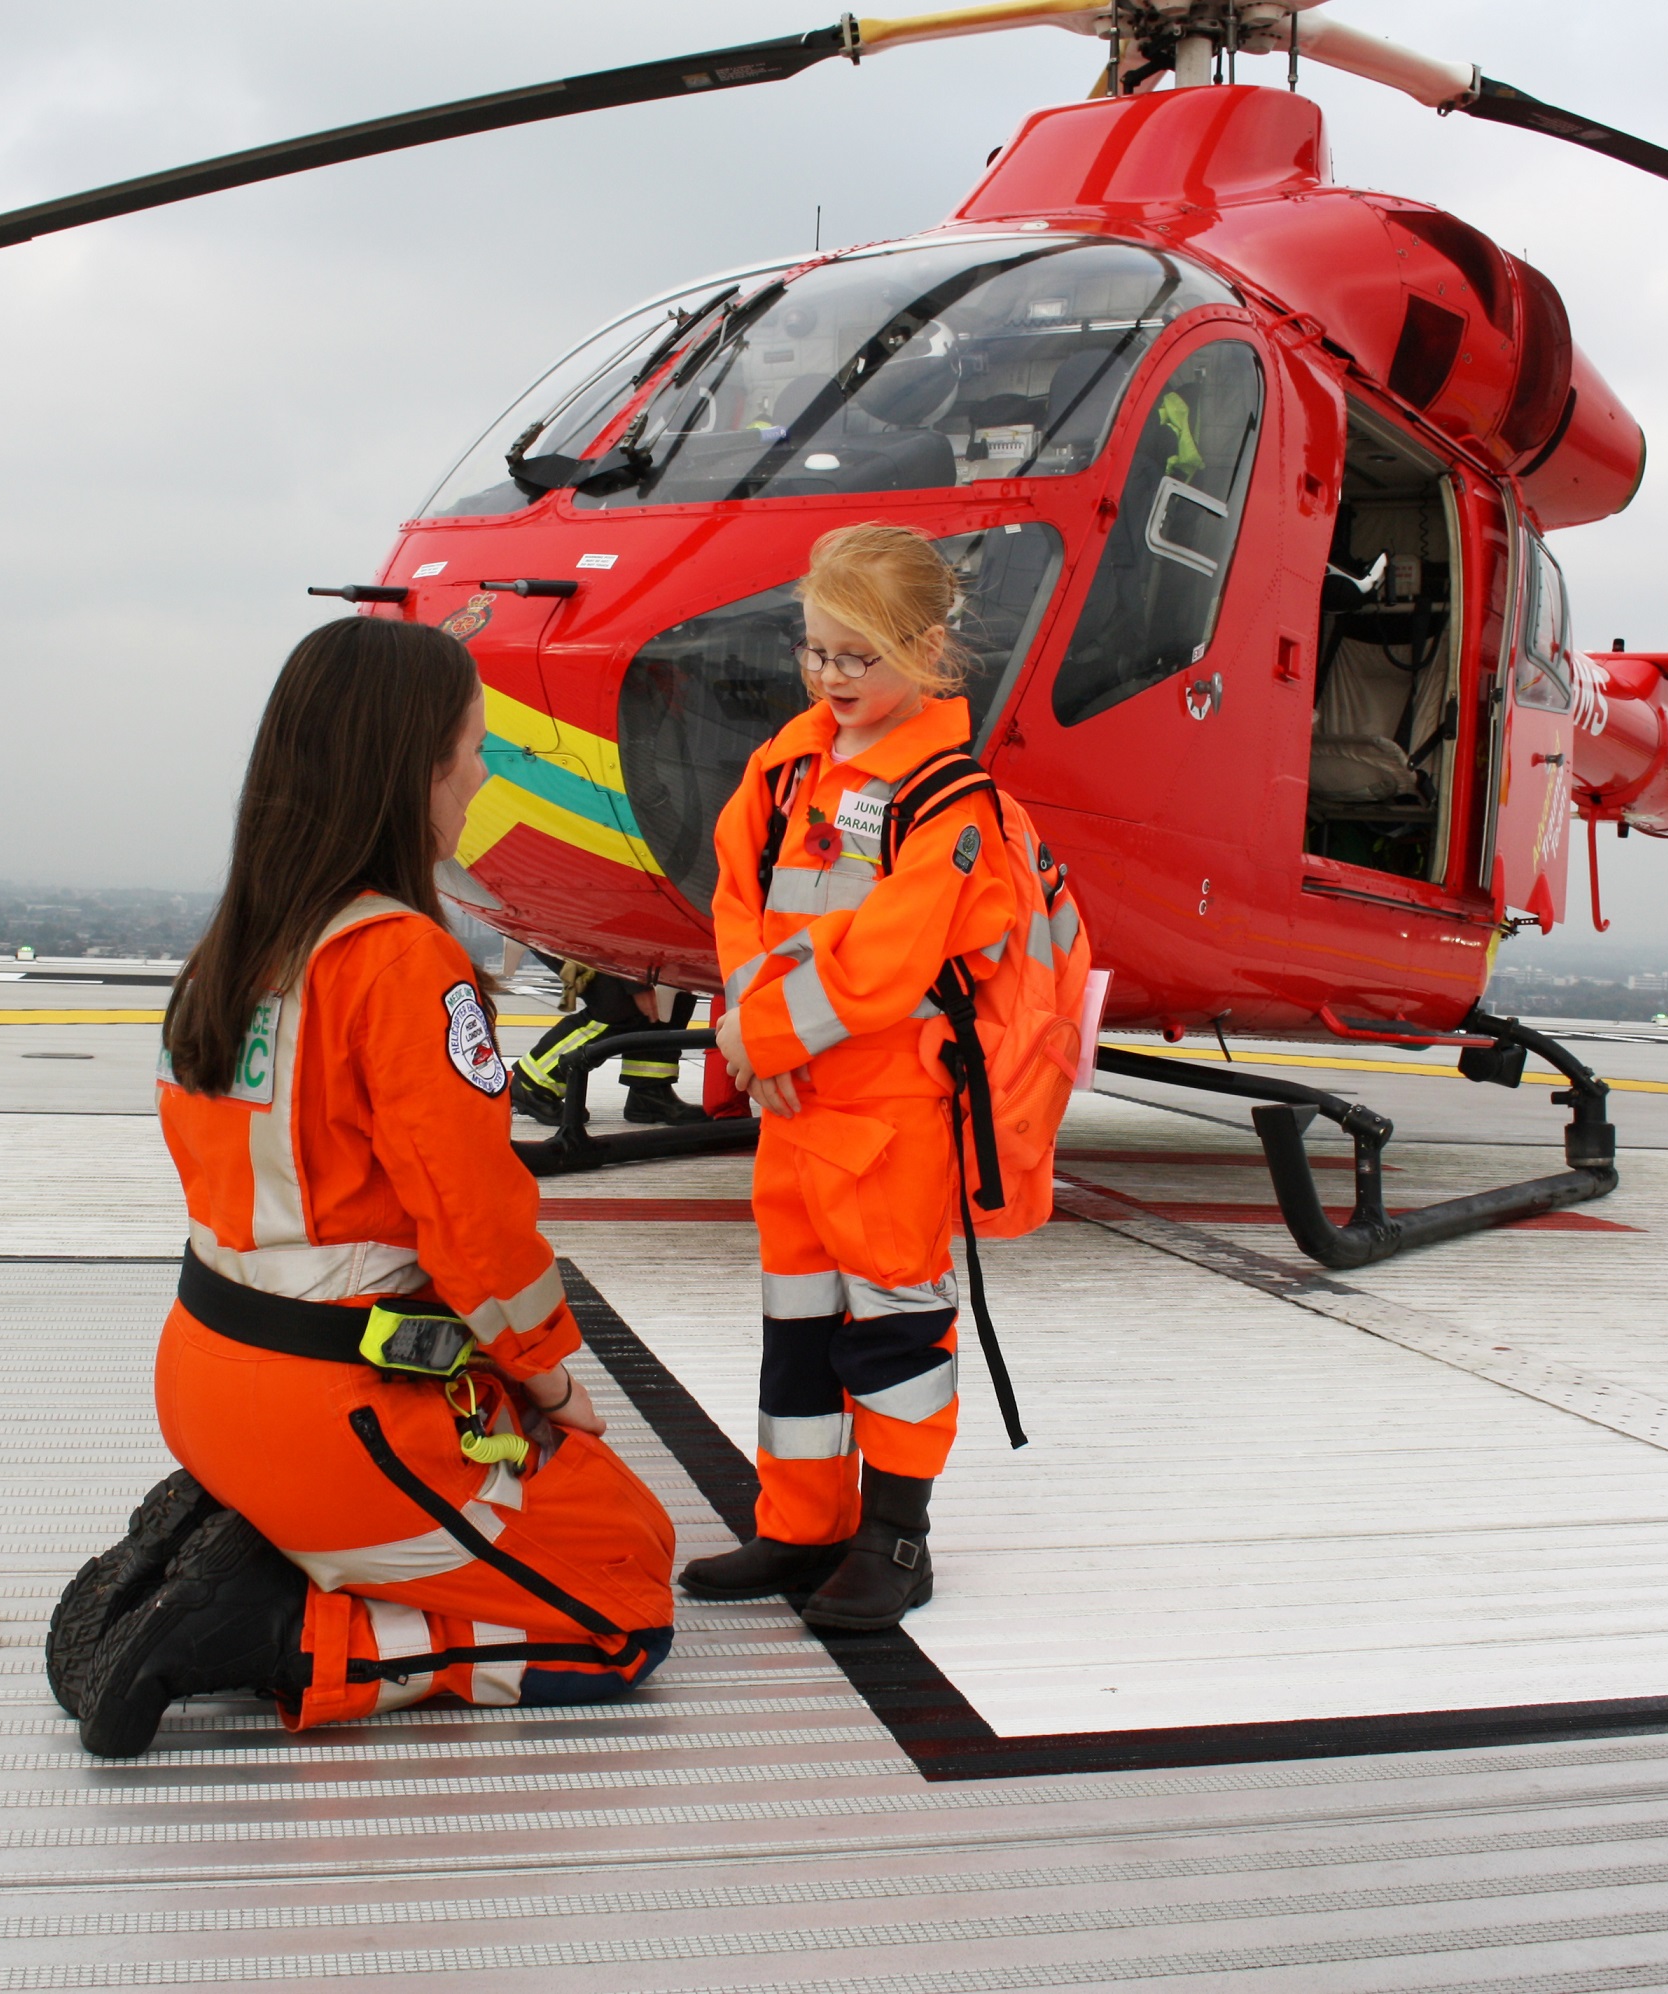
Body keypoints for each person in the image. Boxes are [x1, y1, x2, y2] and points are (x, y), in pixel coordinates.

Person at [61, 616, 676, 1758]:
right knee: (626, 1603)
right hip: (341, 1410)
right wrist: (548, 1384)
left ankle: (263, 1532)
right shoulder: (400, 960)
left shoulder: (239, 953)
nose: (483, 772)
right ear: (411, 769)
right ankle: (280, 1626)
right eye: (470, 748)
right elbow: (471, 1218)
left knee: (615, 1523)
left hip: (212, 1376)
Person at [681, 524, 1016, 1632]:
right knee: (799, 1324)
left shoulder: (947, 796)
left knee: (895, 1323)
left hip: (887, 1109)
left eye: (855, 656)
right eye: (815, 652)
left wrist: (761, 1040)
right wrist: (752, 1032)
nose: (830, 677)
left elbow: (889, 961)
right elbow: (738, 900)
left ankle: (895, 1537)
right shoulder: (786, 766)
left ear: (926, 651)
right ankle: (800, 1522)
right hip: (796, 1103)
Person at [510, 961, 710, 1127]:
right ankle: (533, 1083)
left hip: (636, 941)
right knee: (618, 1005)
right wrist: (635, 982)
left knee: (675, 989)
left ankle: (650, 1091)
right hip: (578, 927)